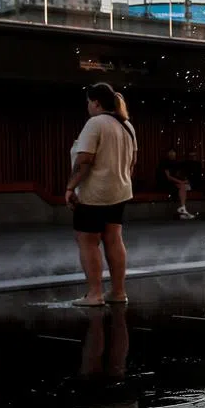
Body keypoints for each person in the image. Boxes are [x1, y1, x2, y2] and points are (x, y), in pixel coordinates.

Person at [66, 84, 137, 307]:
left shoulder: (95, 123)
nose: (88, 106)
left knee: (87, 240)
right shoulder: (127, 125)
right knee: (114, 238)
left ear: (96, 102)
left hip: (93, 193)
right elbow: (132, 162)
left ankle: (95, 294)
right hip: (120, 191)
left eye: (89, 101)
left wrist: (70, 187)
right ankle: (118, 292)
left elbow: (85, 160)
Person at [155, 148, 193, 220]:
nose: (172, 154)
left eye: (173, 153)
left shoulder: (176, 163)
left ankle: (183, 209)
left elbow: (179, 175)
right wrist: (180, 182)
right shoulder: (164, 163)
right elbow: (169, 177)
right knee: (181, 186)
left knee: (183, 187)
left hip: (174, 183)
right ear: (167, 154)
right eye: (170, 153)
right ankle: (183, 209)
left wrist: (184, 181)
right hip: (164, 183)